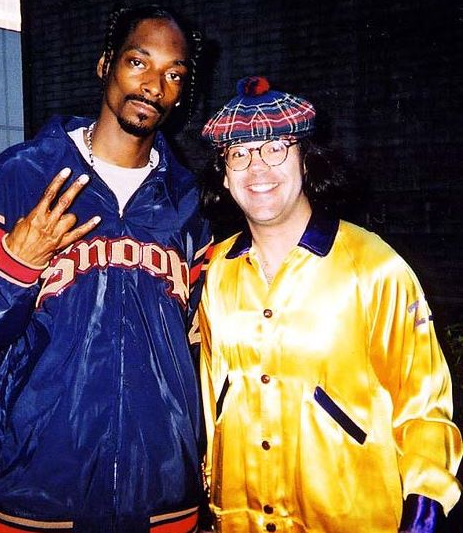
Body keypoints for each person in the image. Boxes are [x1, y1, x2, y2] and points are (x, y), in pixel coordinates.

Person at [0, 4, 212, 533]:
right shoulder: (25, 172)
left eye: (174, 74)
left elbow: (196, 341)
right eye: (138, 62)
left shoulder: (185, 201)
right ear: (105, 65)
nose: (154, 85)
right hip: (32, 486)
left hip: (161, 491)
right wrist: (14, 263)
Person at [198, 76, 462, 532]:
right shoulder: (215, 270)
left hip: (348, 518)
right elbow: (210, 394)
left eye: (275, 147)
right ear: (224, 174)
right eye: (238, 153)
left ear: (305, 158)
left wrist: (425, 495)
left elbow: (423, 404)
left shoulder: (374, 267)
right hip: (239, 518)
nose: (257, 167)